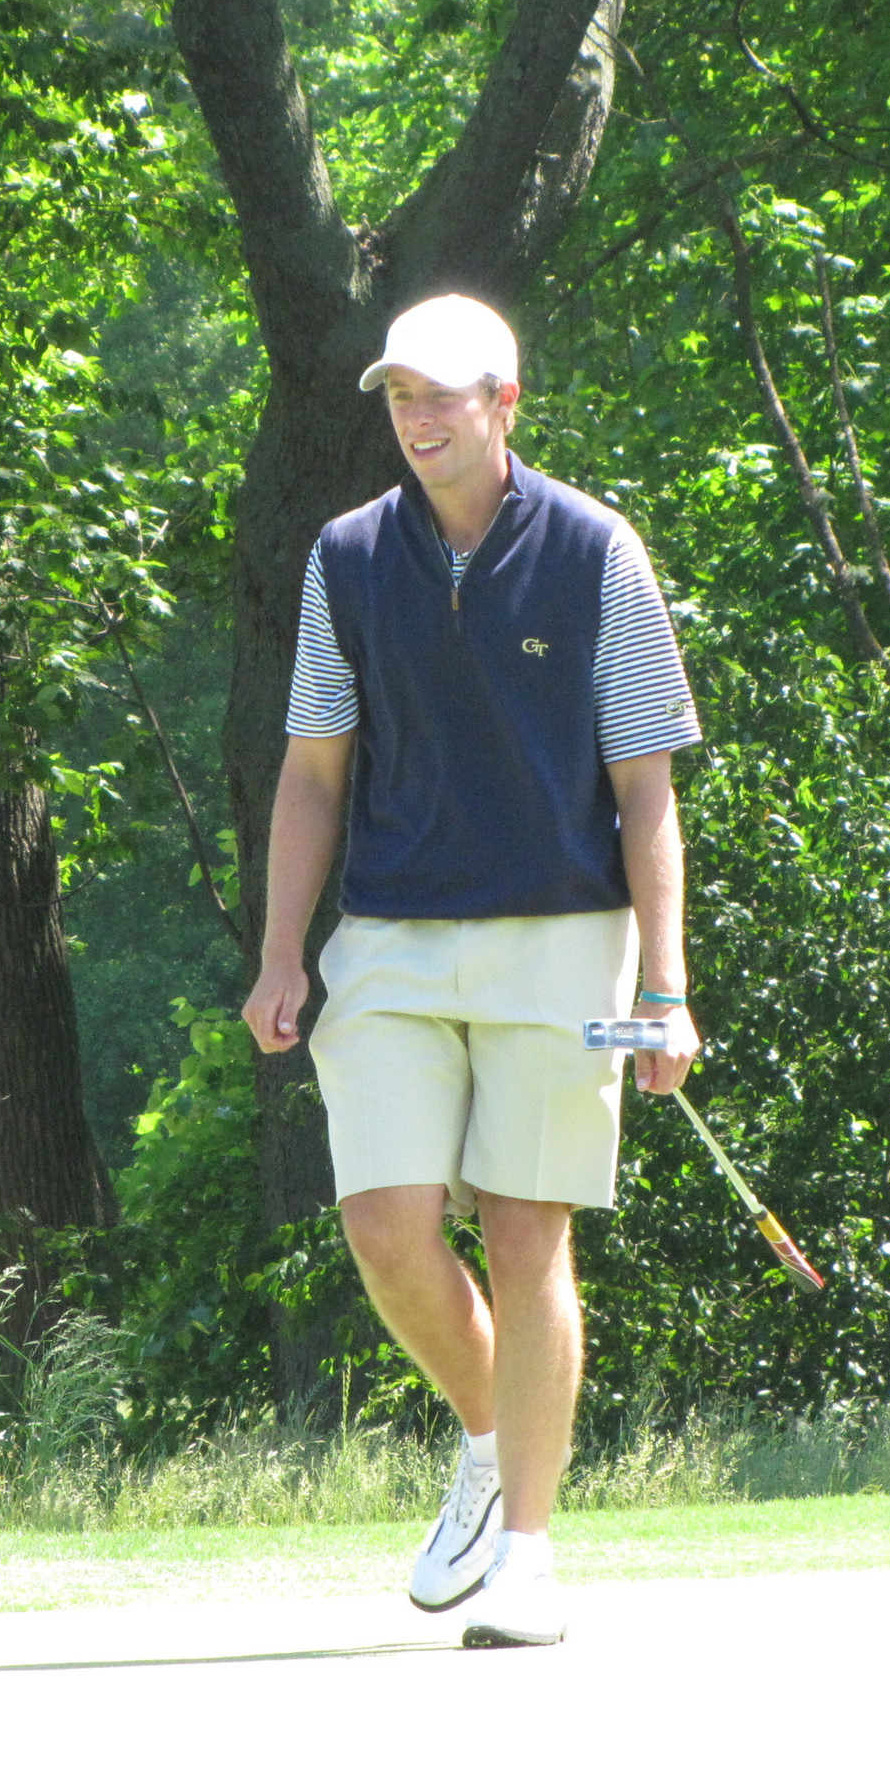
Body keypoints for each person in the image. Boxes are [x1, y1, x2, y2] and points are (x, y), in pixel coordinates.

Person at [241, 293, 703, 1648]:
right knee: (385, 1227)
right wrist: (283, 954)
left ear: (506, 403)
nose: (418, 418)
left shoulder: (595, 552)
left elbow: (647, 788)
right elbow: (314, 772)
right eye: (400, 396)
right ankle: (497, 1442)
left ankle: (530, 1556)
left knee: (524, 1231)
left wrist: (665, 985)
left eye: (444, 395)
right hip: (388, 931)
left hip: (563, 934)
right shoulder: (347, 556)